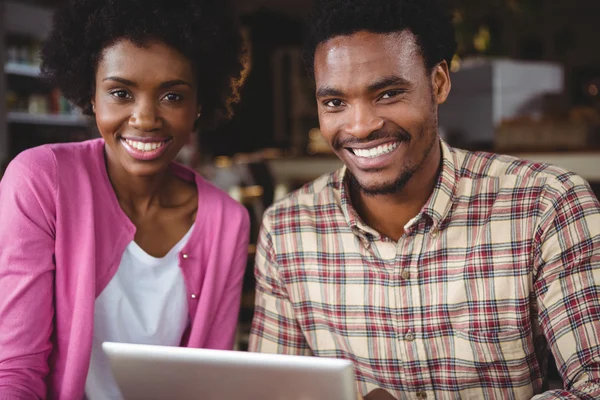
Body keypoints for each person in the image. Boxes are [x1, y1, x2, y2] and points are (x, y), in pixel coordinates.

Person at [248, 0, 600, 398]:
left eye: (388, 93)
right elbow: (272, 393)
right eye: (335, 103)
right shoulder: (287, 231)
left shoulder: (546, 204)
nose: (360, 126)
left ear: (438, 83)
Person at [0, 0, 250, 399]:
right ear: (91, 95)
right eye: (121, 93)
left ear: (199, 105)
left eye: (172, 97)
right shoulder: (40, 181)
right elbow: (16, 368)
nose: (145, 118)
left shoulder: (227, 221)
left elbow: (209, 377)